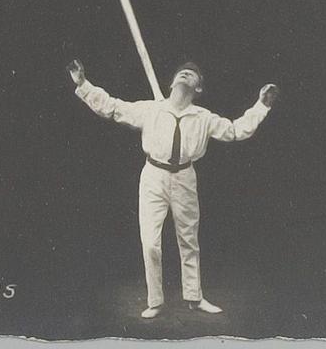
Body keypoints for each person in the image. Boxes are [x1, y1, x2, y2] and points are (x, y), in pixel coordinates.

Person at [68, 58, 279, 319]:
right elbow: (111, 107)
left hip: (184, 178)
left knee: (189, 240)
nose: (185, 74)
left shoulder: (204, 118)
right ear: (171, 83)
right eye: (182, 72)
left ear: (198, 88)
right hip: (153, 176)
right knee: (150, 242)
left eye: (191, 74)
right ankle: (155, 301)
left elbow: (236, 131)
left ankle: (194, 297)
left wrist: (262, 106)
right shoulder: (151, 109)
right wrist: (82, 84)